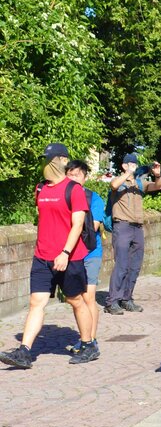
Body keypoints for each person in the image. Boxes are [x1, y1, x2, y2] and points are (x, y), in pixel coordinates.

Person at [0, 144, 96, 369]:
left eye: (49, 159)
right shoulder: (40, 189)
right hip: (42, 256)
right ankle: (24, 351)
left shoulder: (74, 189)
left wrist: (65, 252)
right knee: (36, 302)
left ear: (62, 160)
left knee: (76, 300)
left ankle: (88, 344)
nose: (45, 163)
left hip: (69, 258)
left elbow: (77, 224)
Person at [105, 152, 161, 315]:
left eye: (134, 164)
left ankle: (127, 299)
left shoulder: (139, 183)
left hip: (137, 228)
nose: (133, 166)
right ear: (124, 166)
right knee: (121, 265)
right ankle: (112, 301)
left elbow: (158, 186)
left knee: (134, 266)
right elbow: (113, 185)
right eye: (130, 164)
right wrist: (128, 173)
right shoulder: (119, 181)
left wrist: (157, 175)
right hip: (122, 226)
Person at [65, 159, 105, 358]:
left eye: (77, 175)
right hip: (70, 254)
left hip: (89, 253)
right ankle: (85, 337)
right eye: (69, 175)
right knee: (75, 299)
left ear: (85, 178)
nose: (73, 178)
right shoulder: (63, 196)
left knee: (88, 297)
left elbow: (93, 227)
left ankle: (91, 340)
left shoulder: (94, 198)